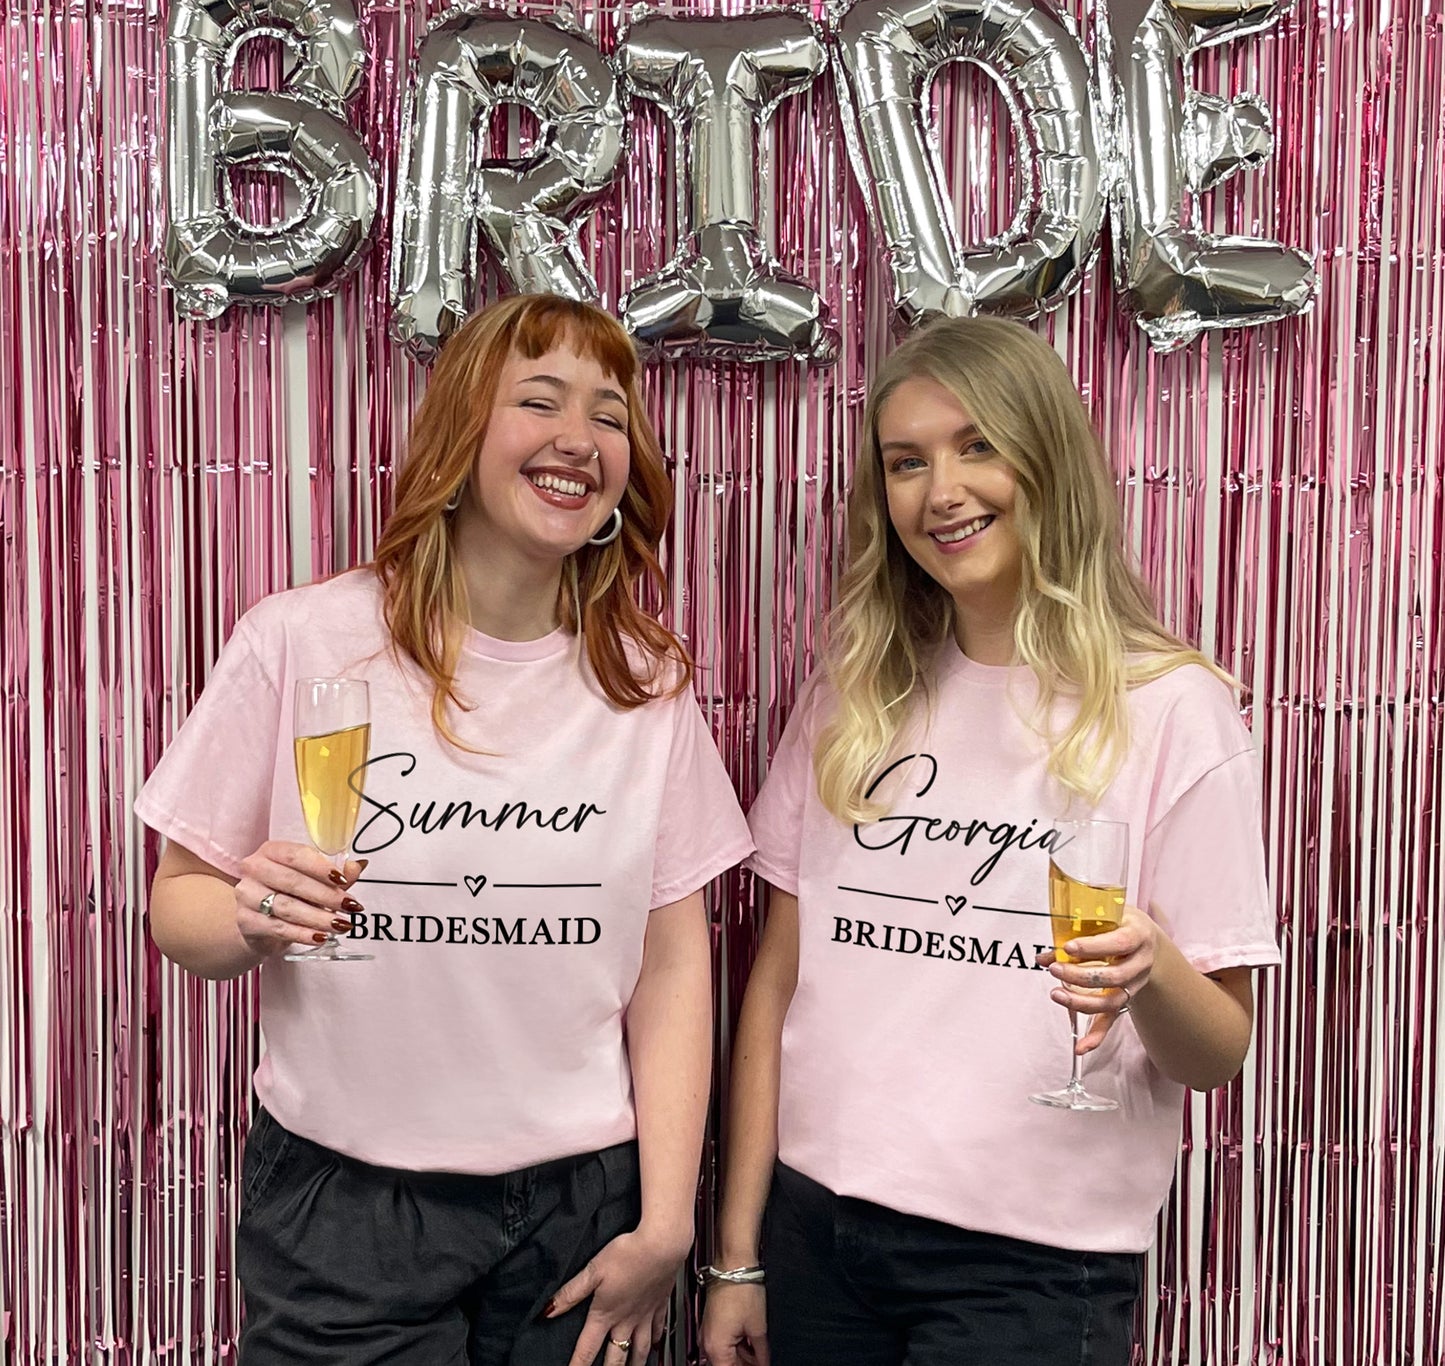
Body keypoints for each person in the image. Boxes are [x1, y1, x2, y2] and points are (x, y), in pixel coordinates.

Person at [139, 294, 754, 1366]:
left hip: (580, 1212)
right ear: (461, 431)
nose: (578, 438)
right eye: (539, 400)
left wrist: (665, 1223)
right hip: (347, 1210)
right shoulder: (307, 640)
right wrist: (251, 914)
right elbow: (175, 911)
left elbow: (669, 965)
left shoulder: (645, 683)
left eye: (609, 415)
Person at [699, 317, 1281, 1366]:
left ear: (1045, 459)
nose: (940, 492)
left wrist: (1148, 965)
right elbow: (777, 985)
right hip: (817, 1230)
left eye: (976, 447)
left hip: (1032, 1267)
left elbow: (1218, 1055)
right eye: (904, 463)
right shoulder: (853, 695)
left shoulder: (1173, 709)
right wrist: (738, 1253)